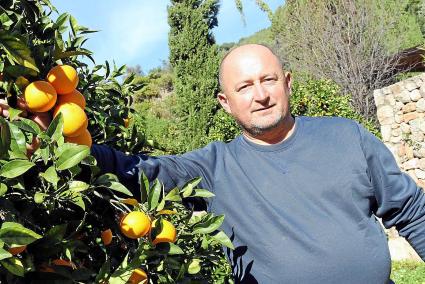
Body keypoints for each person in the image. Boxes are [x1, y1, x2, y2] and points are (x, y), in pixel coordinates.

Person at [7, 44, 425, 283]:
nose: (259, 94)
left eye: (267, 80)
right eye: (244, 87)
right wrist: (55, 138)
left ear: (287, 82)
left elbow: (411, 210)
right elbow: (137, 171)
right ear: (226, 103)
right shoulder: (214, 167)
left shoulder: (345, 136)